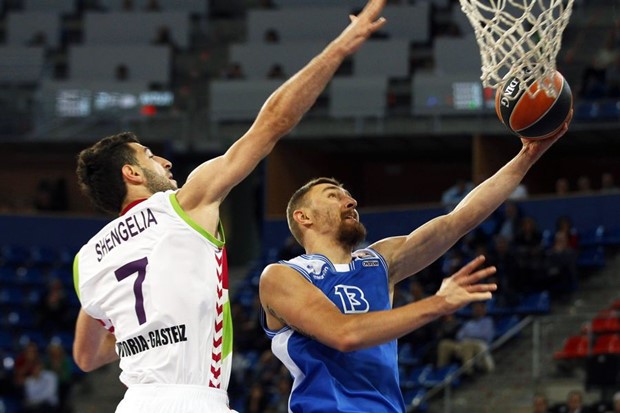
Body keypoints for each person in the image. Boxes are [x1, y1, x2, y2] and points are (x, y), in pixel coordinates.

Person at [72, 1, 389, 412]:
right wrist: (338, 50)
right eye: (150, 155)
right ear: (131, 174)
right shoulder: (182, 204)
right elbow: (272, 123)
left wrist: (147, 336)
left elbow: (86, 356)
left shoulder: (88, 261)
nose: (165, 162)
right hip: (194, 400)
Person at [258, 112, 570, 411]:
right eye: (333, 196)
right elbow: (345, 335)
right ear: (304, 217)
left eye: (349, 196)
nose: (350, 201)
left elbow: (457, 221)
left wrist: (527, 155)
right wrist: (438, 303)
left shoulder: (378, 262)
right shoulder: (283, 276)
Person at [436, 301, 495, 376]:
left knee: (467, 344)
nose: (476, 310)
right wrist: (468, 335)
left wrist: (469, 335)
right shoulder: (469, 323)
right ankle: (441, 371)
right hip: (462, 344)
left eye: (478, 308)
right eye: (474, 308)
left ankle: (468, 371)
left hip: (479, 345)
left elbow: (485, 336)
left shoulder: (487, 321)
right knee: (444, 344)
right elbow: (459, 335)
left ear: (483, 309)